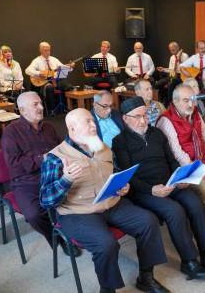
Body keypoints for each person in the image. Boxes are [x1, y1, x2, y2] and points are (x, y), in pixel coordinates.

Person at [40, 108, 169, 293]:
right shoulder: (55, 157)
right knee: (106, 244)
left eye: (93, 121)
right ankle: (107, 289)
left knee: (148, 221)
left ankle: (146, 278)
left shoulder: (102, 148)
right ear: (72, 129)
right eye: (87, 122)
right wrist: (65, 180)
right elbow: (45, 200)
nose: (94, 125)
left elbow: (112, 173)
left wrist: (122, 186)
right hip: (78, 213)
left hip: (111, 203)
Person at [113, 97, 205, 279]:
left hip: (170, 182)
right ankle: (189, 261)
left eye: (145, 115)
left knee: (195, 203)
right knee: (174, 211)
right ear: (125, 118)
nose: (143, 120)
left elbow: (171, 160)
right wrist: (151, 190)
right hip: (143, 190)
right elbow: (128, 174)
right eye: (137, 116)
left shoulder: (157, 134)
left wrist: (180, 177)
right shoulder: (120, 142)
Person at [156, 84, 205, 244]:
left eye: (192, 100)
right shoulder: (166, 120)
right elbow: (177, 152)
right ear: (175, 101)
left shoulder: (196, 114)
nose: (191, 104)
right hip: (184, 170)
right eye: (186, 100)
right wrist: (201, 169)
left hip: (202, 162)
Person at [2, 92, 75, 254]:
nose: (41, 107)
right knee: (34, 215)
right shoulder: (11, 132)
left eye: (41, 103)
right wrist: (41, 158)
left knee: (76, 196)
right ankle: (56, 238)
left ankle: (75, 233)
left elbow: (61, 149)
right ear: (22, 110)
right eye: (35, 105)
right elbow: (13, 164)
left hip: (54, 175)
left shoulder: (48, 127)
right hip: (26, 181)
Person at [25, 42, 75, 114]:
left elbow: (63, 68)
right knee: (50, 88)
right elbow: (27, 70)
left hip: (55, 80)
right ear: (41, 50)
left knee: (69, 87)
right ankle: (52, 110)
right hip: (43, 82)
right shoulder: (37, 61)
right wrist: (39, 73)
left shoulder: (54, 59)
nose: (48, 52)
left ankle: (66, 107)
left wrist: (70, 67)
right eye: (45, 50)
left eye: (49, 50)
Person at [156, 41, 189, 106]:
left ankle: (171, 103)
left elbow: (186, 70)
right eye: (170, 50)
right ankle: (163, 101)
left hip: (182, 76)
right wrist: (163, 69)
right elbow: (171, 70)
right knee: (158, 84)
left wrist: (179, 60)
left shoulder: (185, 56)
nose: (172, 52)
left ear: (178, 48)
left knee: (171, 84)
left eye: (173, 50)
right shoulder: (172, 57)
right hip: (173, 75)